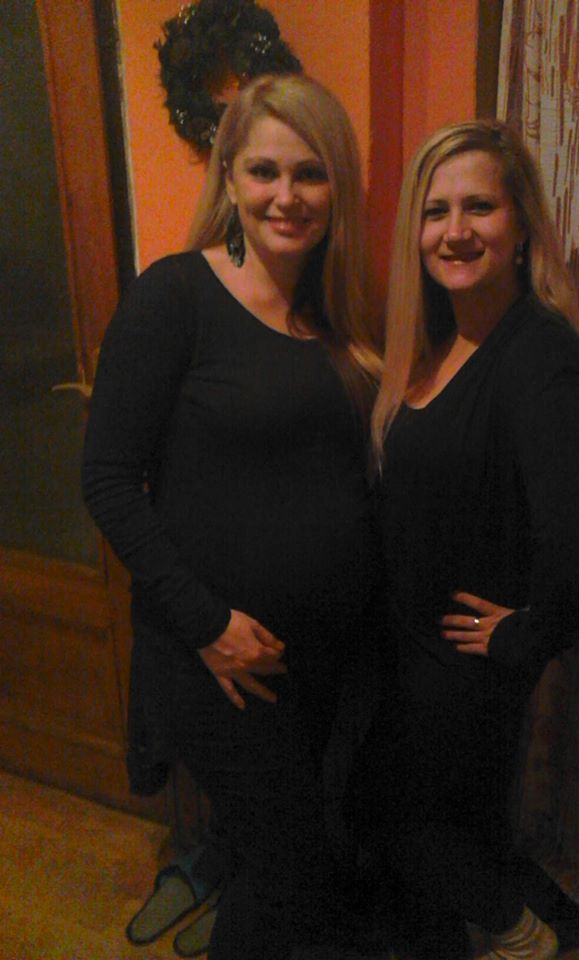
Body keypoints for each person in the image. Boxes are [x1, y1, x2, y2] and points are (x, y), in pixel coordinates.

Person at [82, 73, 381, 960]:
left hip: (318, 658)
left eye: (311, 173)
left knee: (290, 851)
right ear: (229, 176)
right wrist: (208, 625)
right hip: (215, 658)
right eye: (264, 171)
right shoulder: (174, 296)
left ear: (338, 186)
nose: (287, 196)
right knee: (289, 875)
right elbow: (107, 481)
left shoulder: (338, 313)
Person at [355, 120, 579, 960]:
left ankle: (521, 937)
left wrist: (522, 636)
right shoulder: (439, 339)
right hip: (406, 648)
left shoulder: (538, 352)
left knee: (400, 819)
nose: (455, 231)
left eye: (479, 207)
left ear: (521, 225)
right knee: (422, 824)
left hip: (462, 665)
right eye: (435, 212)